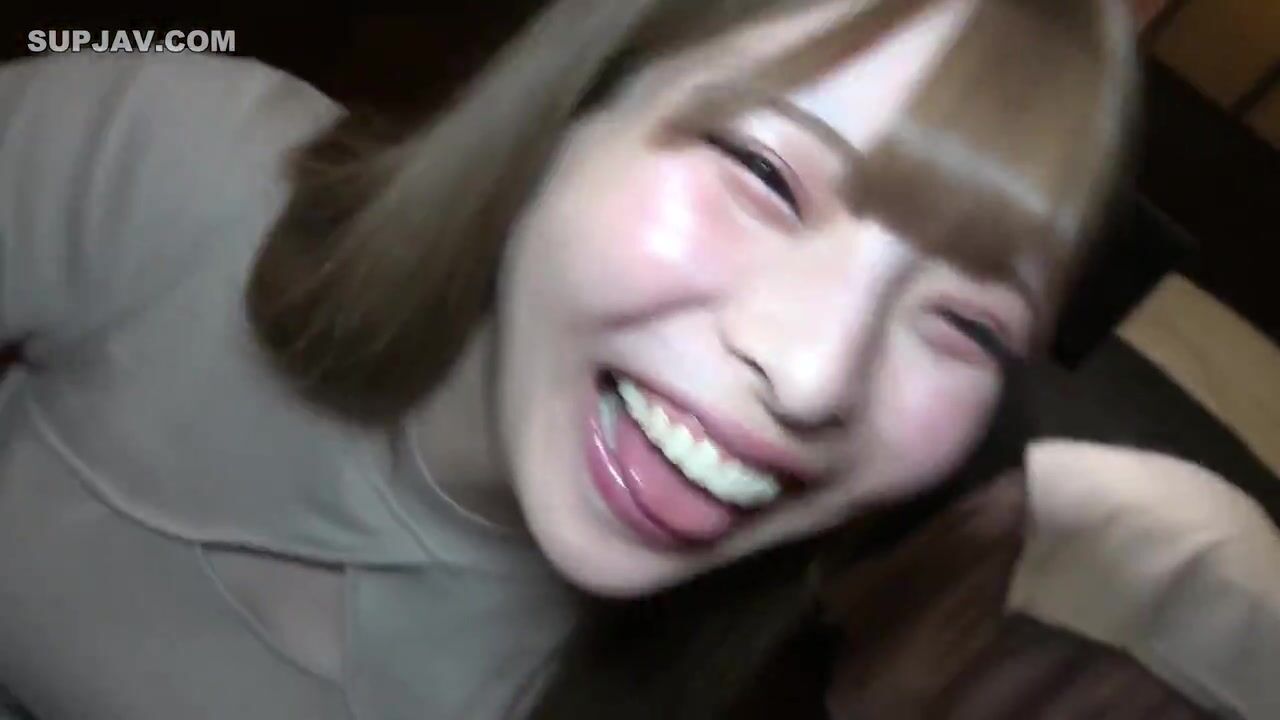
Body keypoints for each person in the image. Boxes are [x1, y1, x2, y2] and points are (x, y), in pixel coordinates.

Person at [0, 0, 1179, 717]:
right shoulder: (171, 161)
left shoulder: (701, 653)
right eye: (763, 174)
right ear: (566, 109)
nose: (813, 375)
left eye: (967, 325)